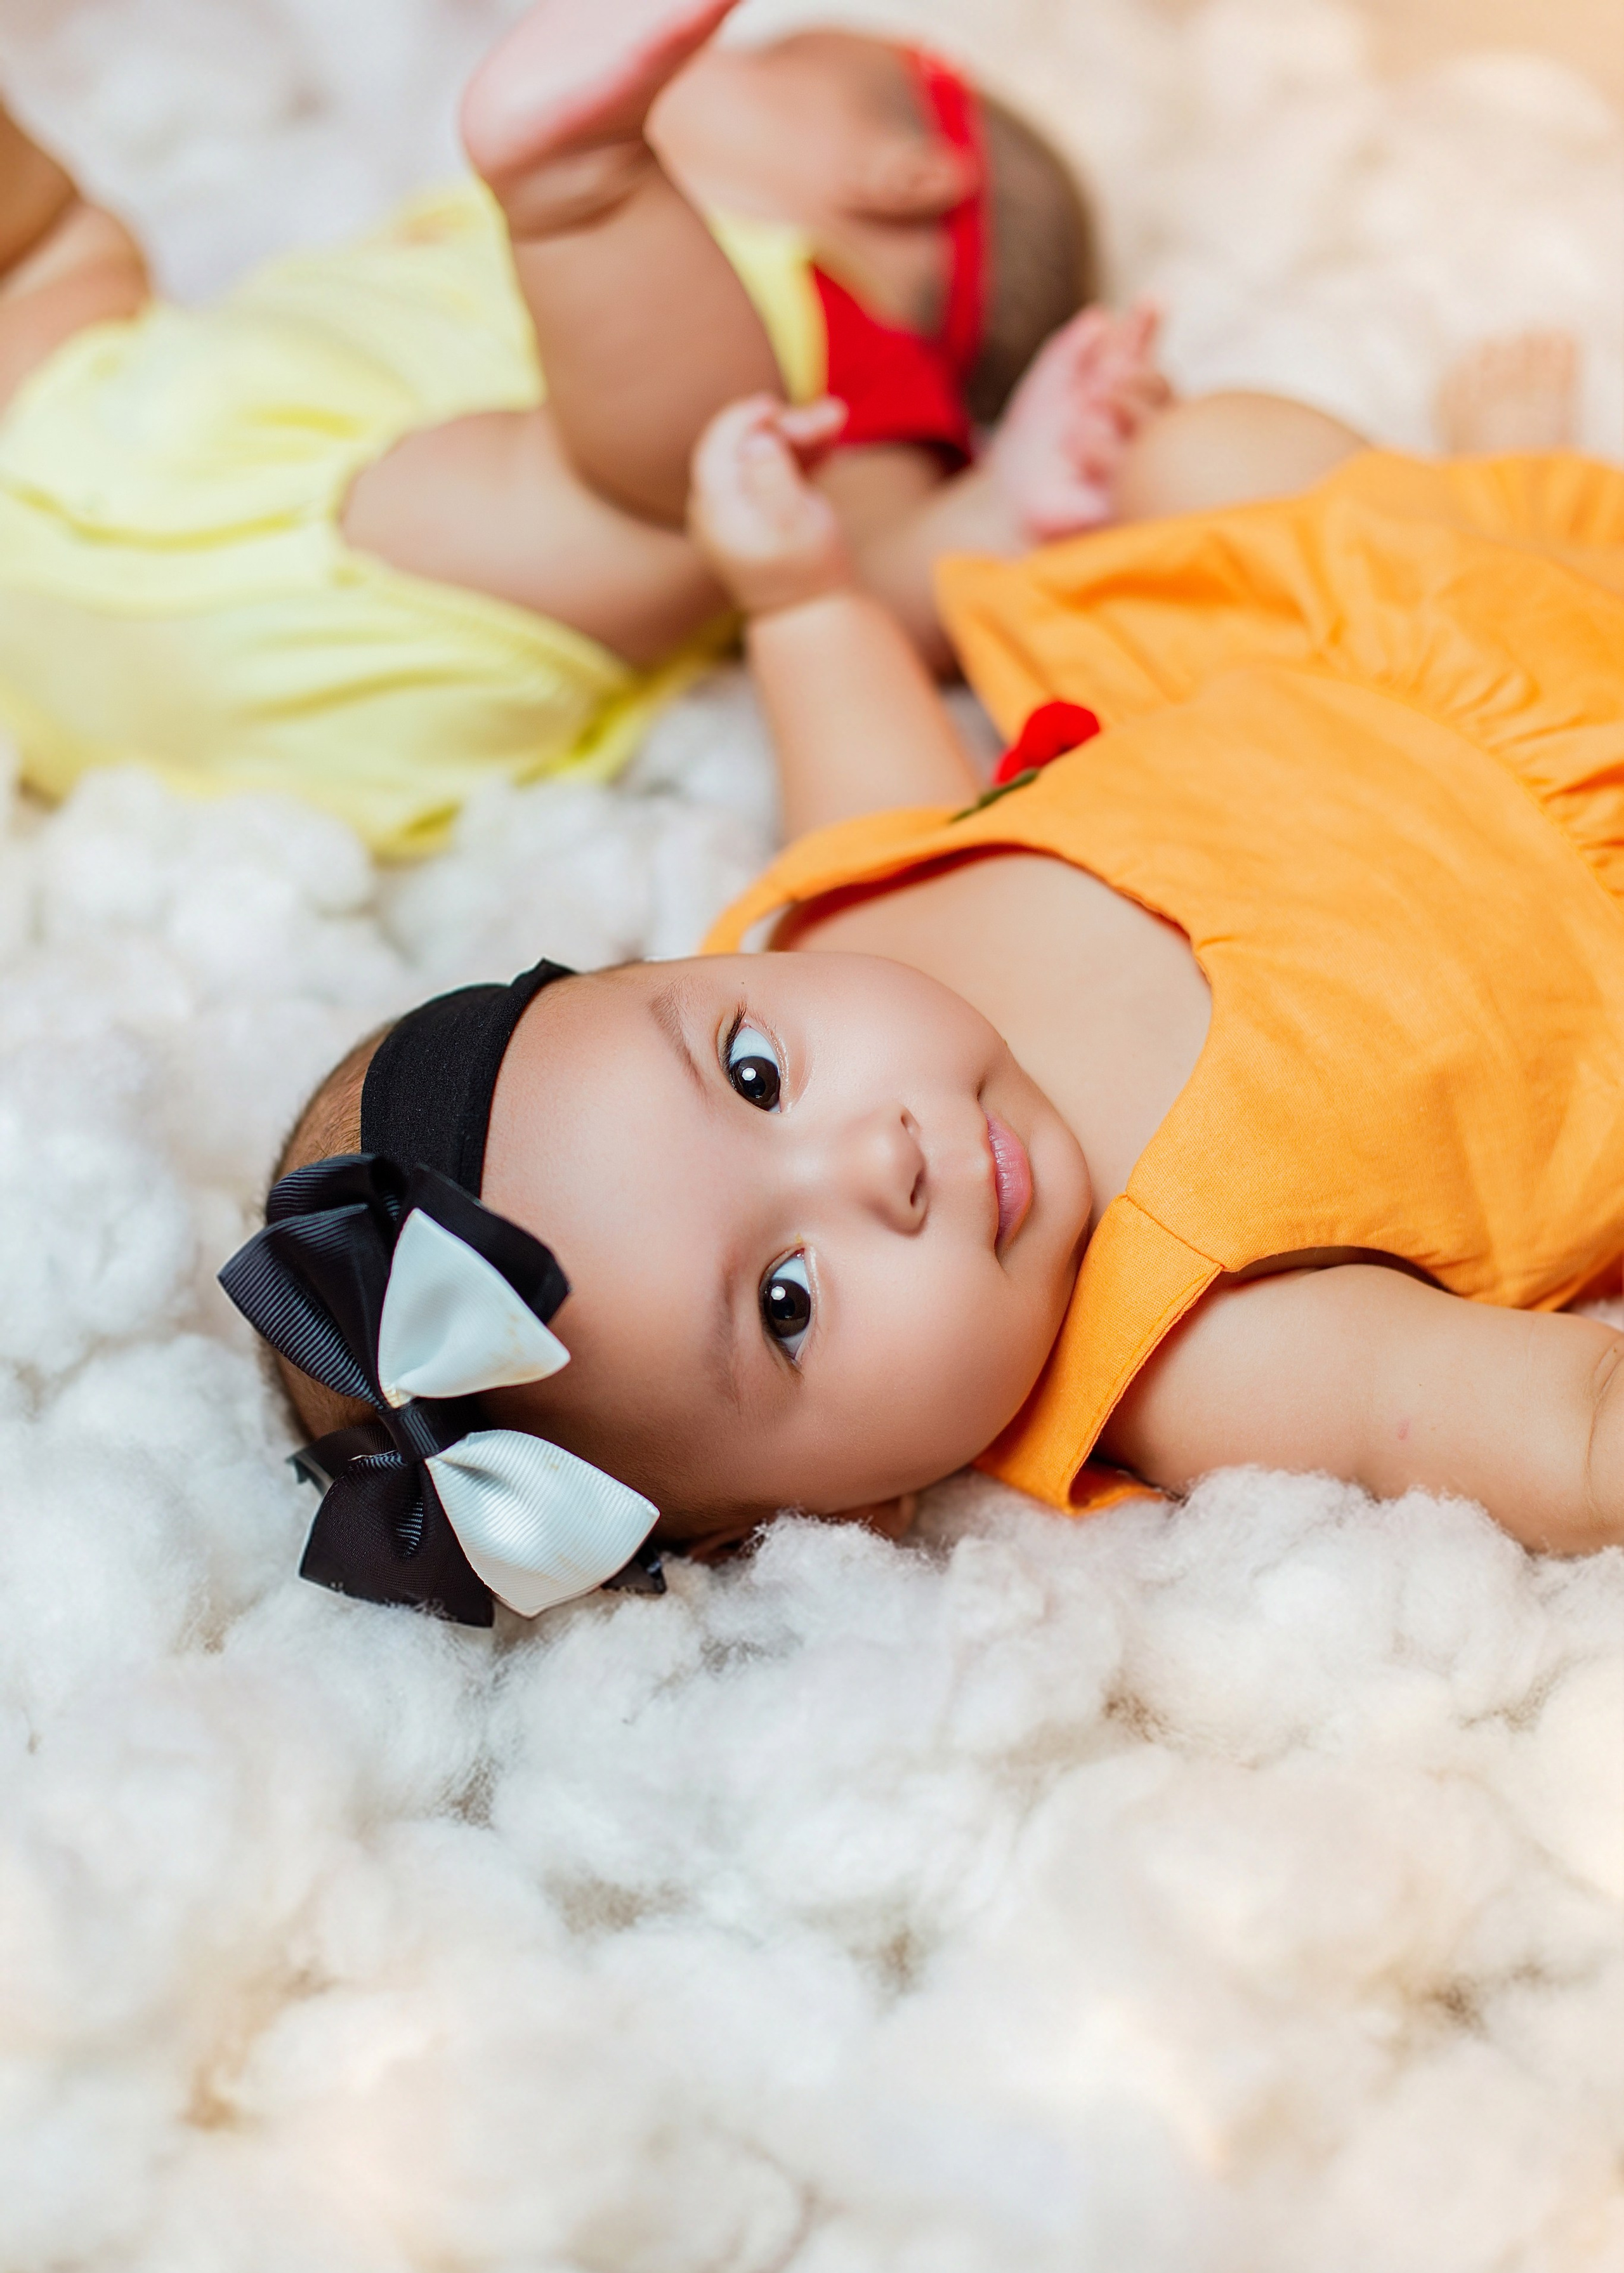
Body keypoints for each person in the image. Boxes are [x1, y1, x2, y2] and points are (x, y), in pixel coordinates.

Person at [220, 320, 1621, 1630]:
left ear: (700, 973)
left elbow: (861, 751)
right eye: (786, 1302)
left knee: (1203, 458)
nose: (874, 1163)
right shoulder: (1200, 1355)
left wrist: (793, 590)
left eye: (751, 1073)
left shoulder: (849, 933)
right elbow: (1569, 1430)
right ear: (850, 1511)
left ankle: (1490, 483)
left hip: (1418, 647)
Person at [0, 0, 1161, 853]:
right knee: (51, 241)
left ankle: (593, 193)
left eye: (759, 53)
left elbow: (861, 584)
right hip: (105, 409)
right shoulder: (472, 214)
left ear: (907, 174)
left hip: (379, 580)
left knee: (707, 497)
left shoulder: (833, 318)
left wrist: (1007, 502)